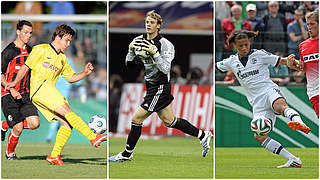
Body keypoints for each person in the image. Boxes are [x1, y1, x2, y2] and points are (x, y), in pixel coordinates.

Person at [109, 10, 212, 162]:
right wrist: (130, 52)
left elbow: (165, 69)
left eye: (151, 22)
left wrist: (155, 53)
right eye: (146, 22)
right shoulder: (138, 40)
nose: (148, 25)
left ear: (158, 25)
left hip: (161, 86)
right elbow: (129, 66)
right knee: (169, 121)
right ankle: (203, 135)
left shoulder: (166, 45)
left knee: (136, 118)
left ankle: (126, 154)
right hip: (150, 85)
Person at [5, 24, 107, 166]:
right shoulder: (40, 49)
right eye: (67, 40)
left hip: (49, 90)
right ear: (58, 37)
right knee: (68, 111)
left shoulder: (63, 59)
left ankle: (54, 155)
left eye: (70, 41)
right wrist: (15, 82)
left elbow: (70, 78)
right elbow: (25, 67)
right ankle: (92, 137)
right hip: (40, 88)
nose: (68, 44)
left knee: (67, 124)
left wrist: (84, 73)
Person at [216, 30, 310, 168]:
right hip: (256, 102)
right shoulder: (231, 61)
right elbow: (217, 66)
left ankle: (299, 123)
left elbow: (282, 61)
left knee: (280, 106)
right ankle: (293, 159)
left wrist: (292, 62)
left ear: (250, 42)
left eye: (246, 44)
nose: (244, 48)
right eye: (240, 45)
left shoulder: (259, 54)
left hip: (268, 91)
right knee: (259, 136)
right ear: (235, 46)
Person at [1, 20, 40, 160]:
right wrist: (11, 89)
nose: (28, 35)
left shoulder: (31, 51)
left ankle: (5, 124)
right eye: (25, 32)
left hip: (25, 94)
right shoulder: (9, 51)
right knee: (18, 127)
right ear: (18, 32)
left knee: (35, 124)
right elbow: (0, 74)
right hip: (8, 94)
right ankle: (10, 153)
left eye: (30, 33)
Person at [287, 11, 319, 117]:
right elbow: (304, 68)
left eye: (312, 24)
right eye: (308, 24)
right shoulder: (303, 46)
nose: (309, 27)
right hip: (314, 92)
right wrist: (292, 64)